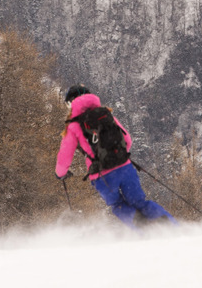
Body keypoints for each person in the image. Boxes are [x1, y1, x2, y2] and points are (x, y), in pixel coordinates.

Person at [55, 84, 176, 226]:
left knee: (118, 205)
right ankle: (172, 227)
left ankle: (144, 229)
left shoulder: (73, 125)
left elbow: (65, 156)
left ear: (71, 103)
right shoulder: (106, 114)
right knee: (140, 202)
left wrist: (60, 174)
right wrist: (116, 155)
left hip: (103, 175)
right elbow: (127, 140)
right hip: (125, 168)